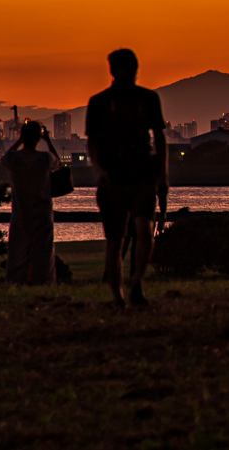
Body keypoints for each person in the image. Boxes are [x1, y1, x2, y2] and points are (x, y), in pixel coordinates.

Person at [86, 49, 167, 306]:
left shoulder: (148, 99)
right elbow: (93, 143)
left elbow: (160, 138)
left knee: (145, 228)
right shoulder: (99, 102)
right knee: (115, 240)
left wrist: (163, 174)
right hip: (113, 177)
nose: (126, 74)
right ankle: (117, 296)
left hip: (143, 173)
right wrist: (99, 171)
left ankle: (137, 283)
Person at [0, 121, 60, 285]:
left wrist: (19, 141)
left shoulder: (14, 158)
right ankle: (44, 282)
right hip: (42, 211)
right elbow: (58, 163)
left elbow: (4, 159)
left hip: (20, 211)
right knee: (44, 252)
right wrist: (48, 141)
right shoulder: (45, 158)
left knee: (17, 251)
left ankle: (15, 281)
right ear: (38, 138)